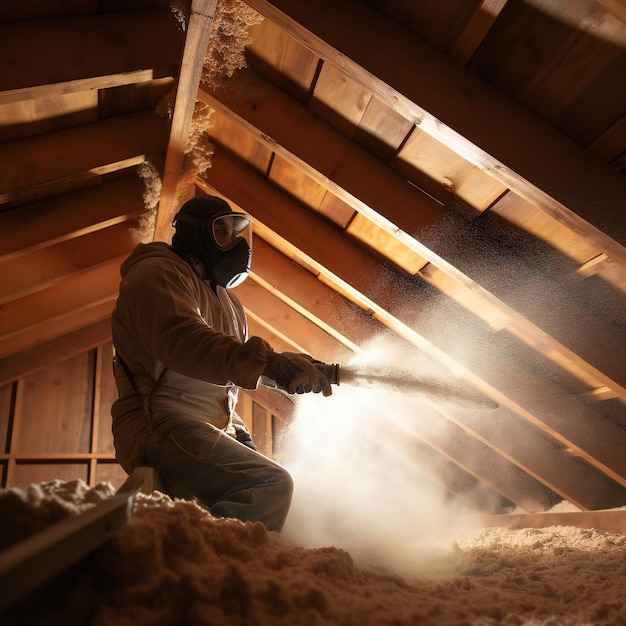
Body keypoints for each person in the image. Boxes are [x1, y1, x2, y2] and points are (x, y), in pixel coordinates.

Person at [111, 195, 333, 532]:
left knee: (286, 498)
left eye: (236, 232)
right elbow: (185, 341)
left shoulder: (227, 301)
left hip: (202, 426)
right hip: (158, 424)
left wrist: (280, 372)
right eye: (222, 232)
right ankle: (206, 566)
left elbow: (225, 375)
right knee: (269, 486)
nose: (235, 243)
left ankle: (207, 552)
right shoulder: (156, 273)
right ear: (194, 232)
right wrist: (271, 363)